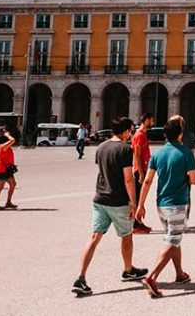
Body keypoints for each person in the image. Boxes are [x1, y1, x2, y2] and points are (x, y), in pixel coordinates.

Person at [72, 117, 148, 296]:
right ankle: (128, 270)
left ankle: (80, 278)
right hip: (118, 200)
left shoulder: (101, 147)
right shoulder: (125, 149)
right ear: (126, 131)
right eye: (130, 130)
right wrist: (134, 203)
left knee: (94, 237)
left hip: (100, 199)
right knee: (126, 236)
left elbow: (103, 171)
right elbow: (128, 178)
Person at [136, 117, 195, 298]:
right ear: (180, 134)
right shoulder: (186, 153)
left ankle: (179, 273)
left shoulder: (157, 154)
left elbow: (147, 180)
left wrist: (140, 205)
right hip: (178, 204)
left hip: (161, 205)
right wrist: (186, 178)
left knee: (173, 237)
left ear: (165, 134)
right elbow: (194, 179)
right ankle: (152, 277)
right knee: (172, 240)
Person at [131, 113, 154, 234]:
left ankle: (137, 223)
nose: (153, 122)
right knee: (137, 199)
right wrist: (141, 173)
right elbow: (137, 155)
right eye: (151, 120)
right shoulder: (139, 135)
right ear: (145, 121)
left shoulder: (143, 134)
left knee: (139, 198)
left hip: (143, 169)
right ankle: (135, 225)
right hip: (139, 170)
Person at [0, 128, 18, 210]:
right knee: (0, 188)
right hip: (2, 170)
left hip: (7, 169)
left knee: (13, 184)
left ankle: (8, 202)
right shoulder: (2, 146)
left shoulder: (7, 147)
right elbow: (13, 140)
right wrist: (7, 134)